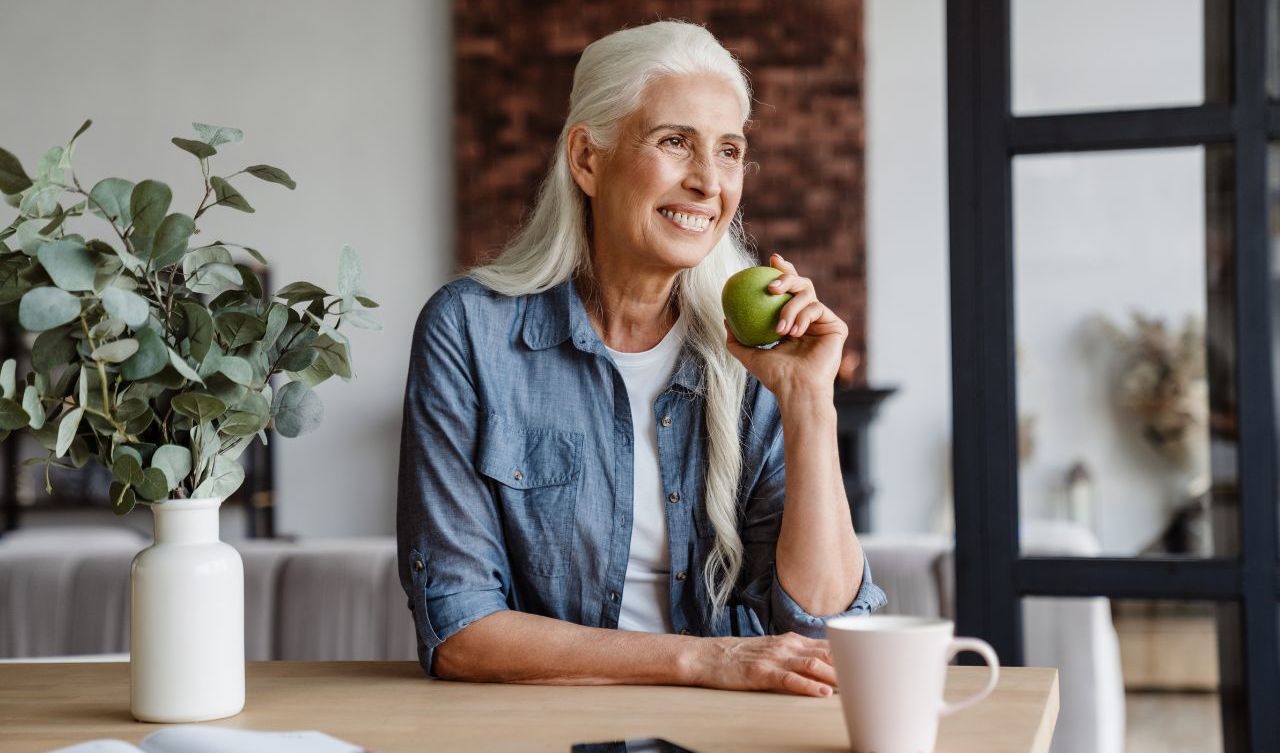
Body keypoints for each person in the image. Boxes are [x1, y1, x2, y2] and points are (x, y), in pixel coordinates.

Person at [396, 19, 885, 699]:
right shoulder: (470, 333)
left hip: (731, 735)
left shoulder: (759, 350)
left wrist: (808, 400)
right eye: (674, 142)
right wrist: (705, 660)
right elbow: (459, 629)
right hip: (543, 733)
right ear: (587, 159)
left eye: (729, 150)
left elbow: (828, 631)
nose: (708, 182)